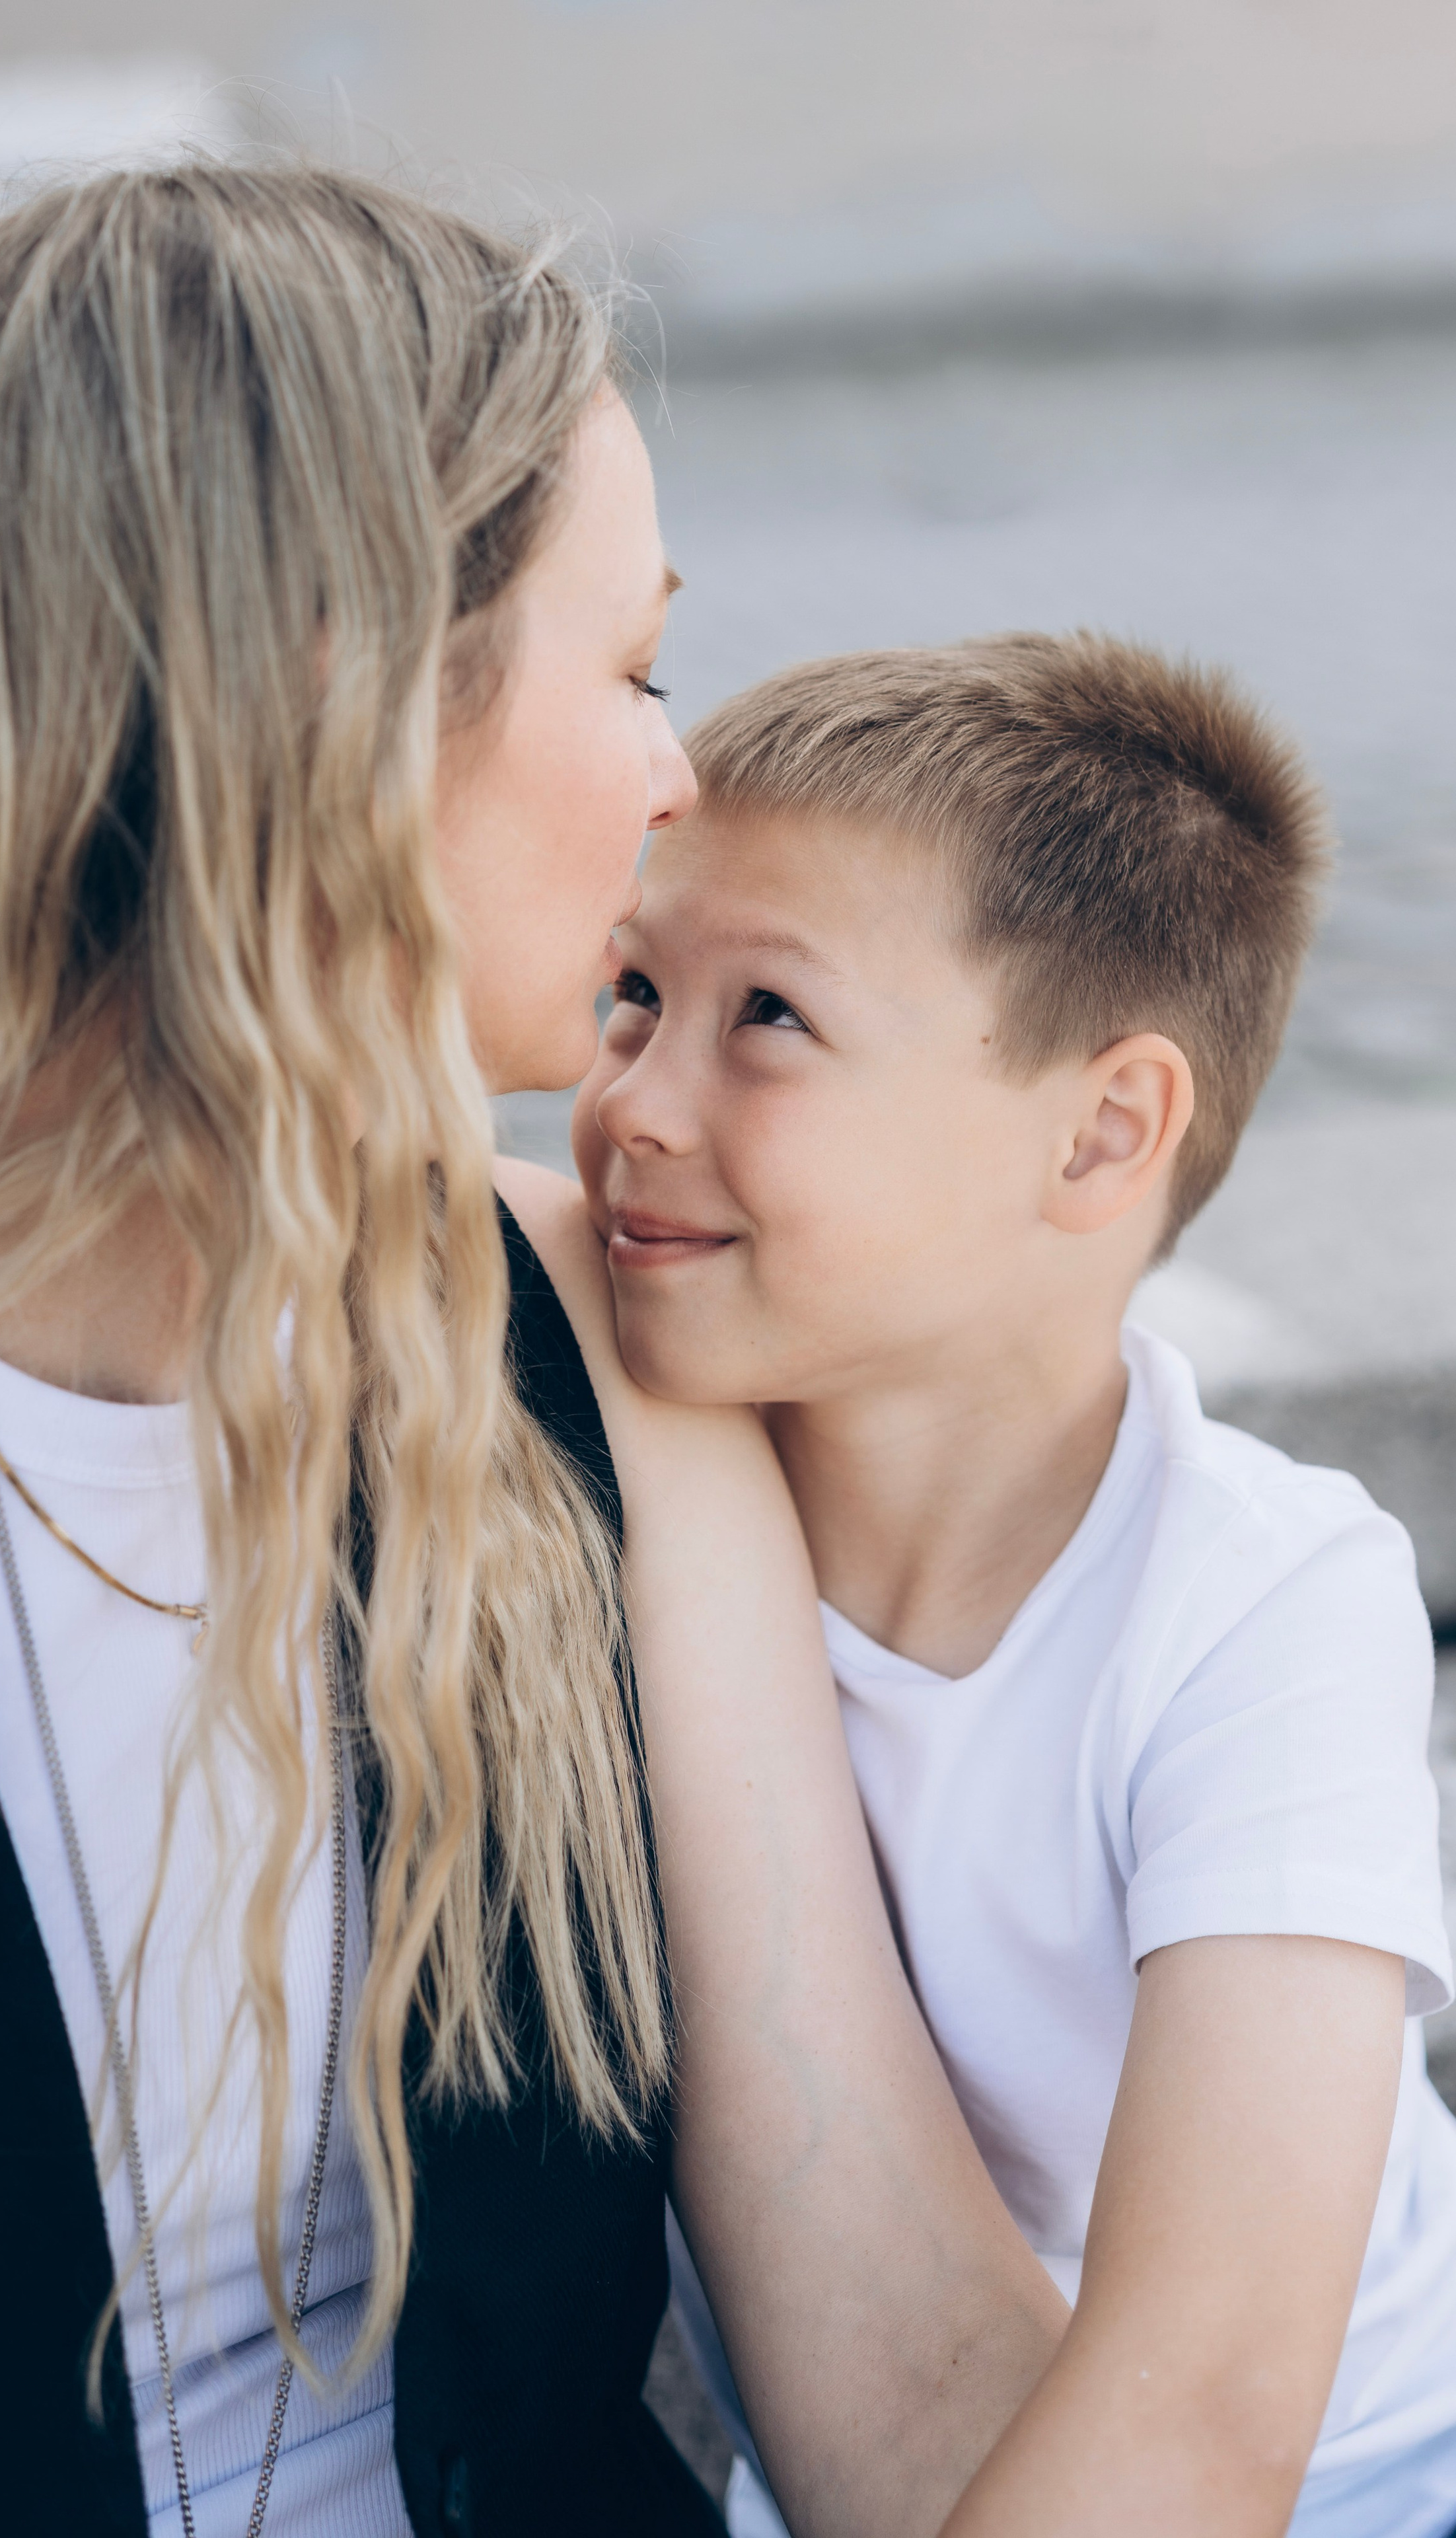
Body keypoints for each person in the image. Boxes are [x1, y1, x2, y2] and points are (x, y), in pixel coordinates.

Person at [0, 172, 1065, 2537]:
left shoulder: (571, 1321)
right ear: (353, 680)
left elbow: (897, 2365)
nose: (684, 787)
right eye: (637, 665)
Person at [571, 632, 1456, 2538]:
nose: (636, 1097)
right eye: (632, 991)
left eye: (770, 1020)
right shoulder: (648, 1486)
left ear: (1105, 1130)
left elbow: (1218, 2390)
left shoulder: (1262, 1603)